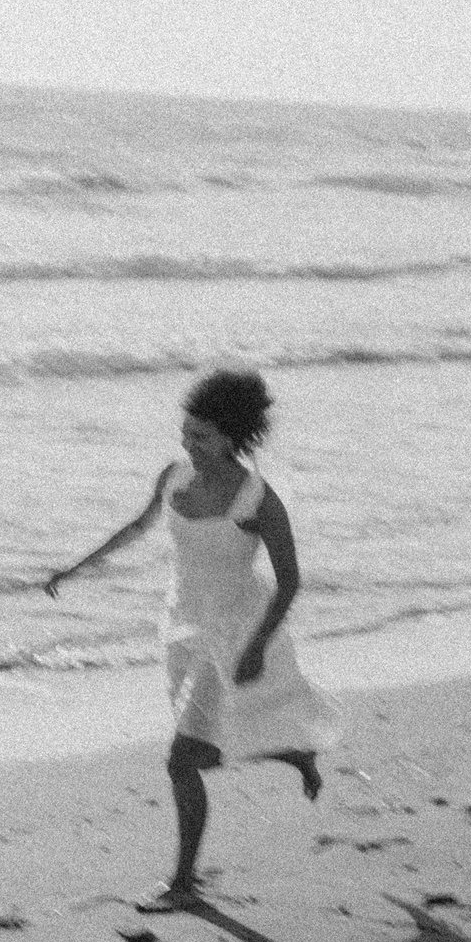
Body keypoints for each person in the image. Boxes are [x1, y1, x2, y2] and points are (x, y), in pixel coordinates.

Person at [44, 368, 339, 909]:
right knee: (201, 746)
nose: (189, 445)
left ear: (230, 436)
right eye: (185, 434)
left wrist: (254, 647)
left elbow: (290, 581)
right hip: (180, 625)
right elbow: (136, 527)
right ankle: (291, 752)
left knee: (182, 760)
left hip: (233, 631)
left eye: (200, 436)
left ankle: (183, 884)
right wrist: (75, 568)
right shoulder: (174, 478)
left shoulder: (257, 500)